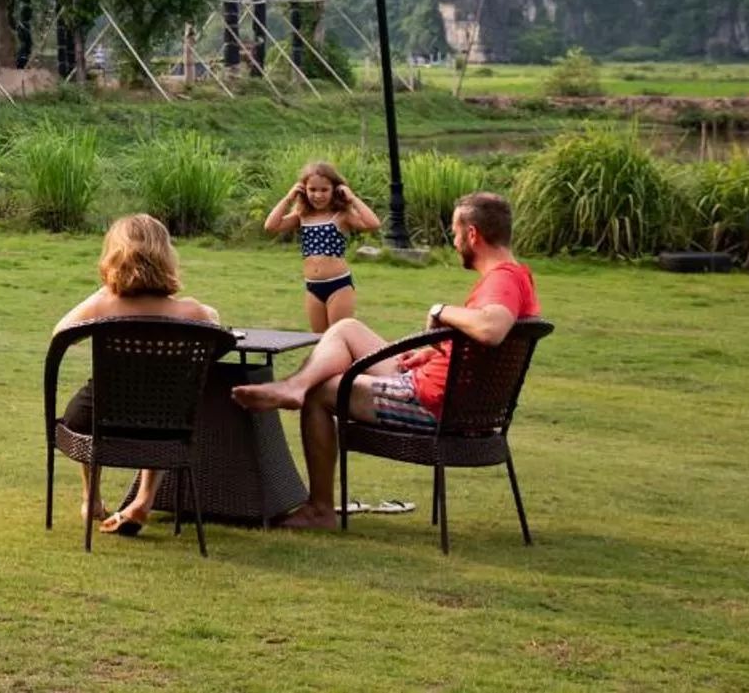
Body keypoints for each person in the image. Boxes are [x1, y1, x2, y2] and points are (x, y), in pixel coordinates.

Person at [230, 191, 540, 530]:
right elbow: (483, 344)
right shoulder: (517, 276)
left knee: (323, 392)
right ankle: (293, 386)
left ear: (472, 234)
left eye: (454, 232)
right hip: (439, 383)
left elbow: (492, 329)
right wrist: (431, 352)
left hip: (433, 403)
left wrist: (440, 311)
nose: (453, 242)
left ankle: (320, 508)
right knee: (347, 329)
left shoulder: (503, 279)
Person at [52, 214, 222, 537]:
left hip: (101, 420)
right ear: (167, 257)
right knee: (162, 399)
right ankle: (144, 499)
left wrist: (102, 292)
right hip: (167, 425)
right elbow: (214, 323)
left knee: (85, 408)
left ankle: (92, 497)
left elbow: (60, 333)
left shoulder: (103, 308)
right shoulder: (192, 313)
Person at [262, 160, 382, 331]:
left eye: (324, 190)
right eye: (312, 190)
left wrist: (352, 198)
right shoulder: (302, 215)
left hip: (338, 285)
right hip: (312, 287)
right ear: (304, 189)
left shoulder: (341, 216)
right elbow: (270, 226)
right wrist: (289, 198)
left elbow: (373, 224)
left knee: (338, 336)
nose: (318, 195)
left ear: (335, 190)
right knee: (319, 341)